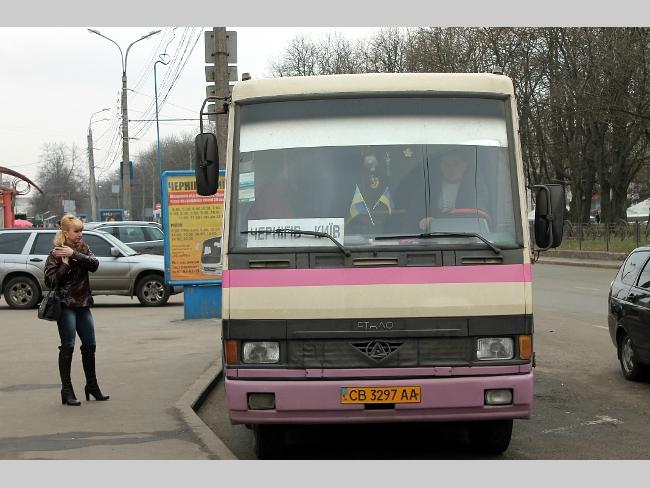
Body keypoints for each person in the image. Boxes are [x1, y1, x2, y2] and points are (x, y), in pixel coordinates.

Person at [44, 214, 109, 406]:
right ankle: (67, 390)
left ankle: (92, 386)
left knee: (90, 346)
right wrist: (64, 266)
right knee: (68, 346)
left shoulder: (82, 249)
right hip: (65, 305)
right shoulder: (55, 253)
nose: (80, 234)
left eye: (81, 230)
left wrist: (74, 255)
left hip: (83, 303)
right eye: (76, 231)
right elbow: (50, 281)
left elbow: (95, 265)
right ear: (65, 232)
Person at [419, 147, 489, 230]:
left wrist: (438, 219)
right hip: (433, 233)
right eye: (446, 164)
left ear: (465, 166)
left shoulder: (475, 187)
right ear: (441, 166)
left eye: (455, 164)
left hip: (464, 232)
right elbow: (419, 212)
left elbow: (477, 213)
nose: (450, 169)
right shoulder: (430, 186)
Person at [347, 148, 395, 233]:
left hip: (383, 220)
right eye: (368, 160)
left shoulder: (384, 175)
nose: (370, 162)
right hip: (360, 223)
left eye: (372, 159)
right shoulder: (356, 178)